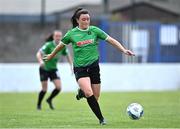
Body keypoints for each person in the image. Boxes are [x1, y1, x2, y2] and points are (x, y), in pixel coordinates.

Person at [44, 8, 135, 125]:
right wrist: (51, 55)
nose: (86, 21)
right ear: (77, 20)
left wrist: (123, 50)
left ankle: (81, 92)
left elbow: (111, 40)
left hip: (94, 67)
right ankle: (102, 119)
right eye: (83, 19)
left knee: (95, 97)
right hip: (80, 68)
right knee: (89, 92)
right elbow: (61, 46)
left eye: (88, 19)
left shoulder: (95, 31)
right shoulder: (71, 34)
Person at [36, 30, 72, 110]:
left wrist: (71, 66)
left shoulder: (62, 46)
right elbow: (38, 53)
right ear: (53, 37)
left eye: (60, 36)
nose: (58, 37)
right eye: (56, 36)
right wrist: (40, 61)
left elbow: (68, 55)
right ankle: (39, 105)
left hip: (53, 69)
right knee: (44, 89)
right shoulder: (48, 45)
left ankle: (49, 99)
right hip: (44, 68)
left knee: (59, 87)